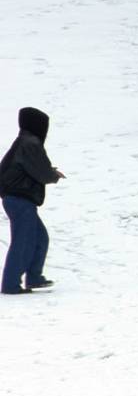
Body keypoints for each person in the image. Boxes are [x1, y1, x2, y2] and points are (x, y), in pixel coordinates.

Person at [0, 108, 65, 294]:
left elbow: (31, 167)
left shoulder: (25, 142)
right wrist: (53, 175)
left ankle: (34, 277)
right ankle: (11, 284)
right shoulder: (30, 143)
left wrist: (49, 171)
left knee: (39, 238)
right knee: (24, 241)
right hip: (19, 198)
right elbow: (42, 173)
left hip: (19, 198)